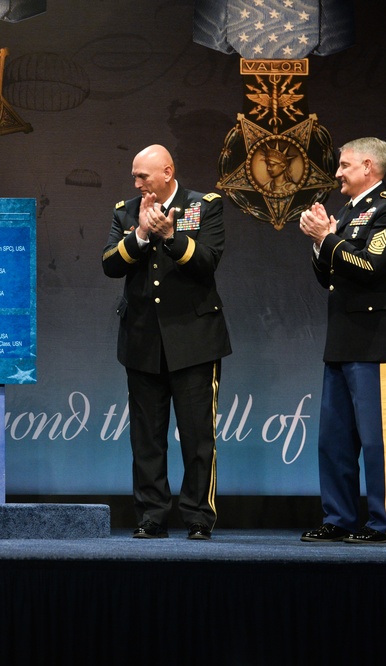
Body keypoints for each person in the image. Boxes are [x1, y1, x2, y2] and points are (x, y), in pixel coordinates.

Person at [101, 144, 231, 540]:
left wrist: (172, 236)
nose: (137, 183)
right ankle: (152, 515)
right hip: (143, 341)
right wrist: (140, 235)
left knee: (196, 436)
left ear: (168, 172)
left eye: (143, 176)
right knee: (146, 439)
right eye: (135, 176)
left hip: (193, 340)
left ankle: (197, 517)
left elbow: (208, 261)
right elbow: (109, 264)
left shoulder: (204, 206)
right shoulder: (125, 210)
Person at [298, 137, 386, 544]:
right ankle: (340, 518)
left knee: (375, 439)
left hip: (375, 340)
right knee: (334, 440)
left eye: (344, 165)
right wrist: (320, 242)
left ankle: (384, 524)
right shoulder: (350, 211)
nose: (337, 173)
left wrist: (329, 239)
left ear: (368, 167)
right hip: (343, 339)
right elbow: (330, 276)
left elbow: (370, 265)